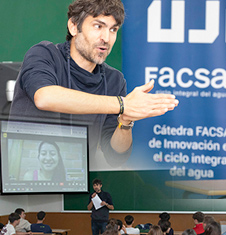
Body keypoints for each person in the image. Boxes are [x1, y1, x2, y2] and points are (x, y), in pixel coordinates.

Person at [10, 0, 178, 170]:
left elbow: (115, 156)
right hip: (25, 178)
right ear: (74, 26)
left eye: (113, 30)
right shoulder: (44, 54)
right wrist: (122, 104)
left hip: (77, 181)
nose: (106, 38)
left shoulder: (114, 80)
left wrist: (125, 120)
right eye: (98, 26)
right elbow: (44, 98)